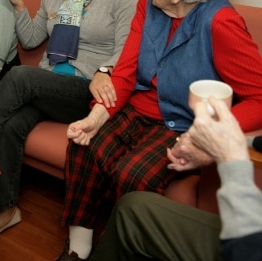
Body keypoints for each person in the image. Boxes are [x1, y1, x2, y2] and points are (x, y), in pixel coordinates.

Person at [56, 0, 262, 261]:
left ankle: (118, 249)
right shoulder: (147, 4)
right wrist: (96, 116)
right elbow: (124, 72)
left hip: (183, 122)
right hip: (138, 107)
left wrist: (208, 137)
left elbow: (259, 97)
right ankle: (77, 251)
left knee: (132, 174)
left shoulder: (220, 21)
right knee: (84, 146)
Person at [0, 0, 140, 245]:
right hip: (48, 84)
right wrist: (20, 6)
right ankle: (4, 210)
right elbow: (32, 40)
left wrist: (105, 70)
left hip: (87, 89)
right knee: (14, 122)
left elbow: (127, 49)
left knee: (20, 76)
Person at [91, 98, 262, 261]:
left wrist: (231, 159)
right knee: (132, 208)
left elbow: (244, 249)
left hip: (247, 244)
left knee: (132, 203)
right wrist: (216, 146)